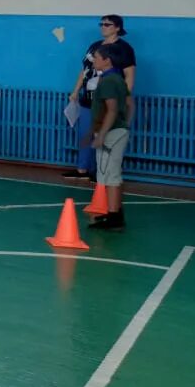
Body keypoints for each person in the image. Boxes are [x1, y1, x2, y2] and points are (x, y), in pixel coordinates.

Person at [65, 15, 136, 181]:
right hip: (88, 99)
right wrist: (76, 90)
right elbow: (85, 71)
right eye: (101, 24)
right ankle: (82, 169)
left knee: (104, 136)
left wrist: (124, 96)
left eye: (107, 24)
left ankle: (100, 173)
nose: (103, 27)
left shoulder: (124, 49)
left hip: (108, 99)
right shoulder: (94, 46)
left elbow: (129, 75)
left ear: (117, 27)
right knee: (85, 133)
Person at [86, 43, 130, 231]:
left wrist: (102, 135)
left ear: (106, 60)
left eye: (96, 57)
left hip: (111, 135)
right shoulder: (118, 78)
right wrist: (125, 124)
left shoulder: (108, 81)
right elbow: (130, 104)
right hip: (118, 131)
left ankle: (113, 218)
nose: (94, 60)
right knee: (113, 175)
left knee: (110, 176)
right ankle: (115, 212)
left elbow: (111, 110)